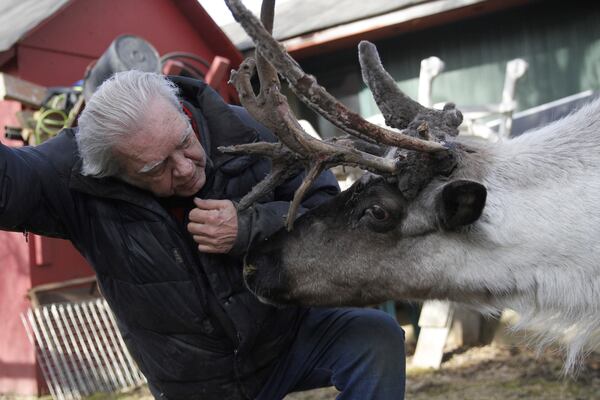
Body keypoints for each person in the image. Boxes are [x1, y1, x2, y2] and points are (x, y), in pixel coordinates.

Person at [0, 70, 406, 399]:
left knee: (375, 339)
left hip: (284, 340)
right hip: (195, 383)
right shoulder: (76, 174)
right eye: (154, 169)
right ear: (113, 171)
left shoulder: (242, 130)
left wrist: (249, 226)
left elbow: (325, 212)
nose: (185, 168)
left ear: (181, 109)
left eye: (184, 142)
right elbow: (7, 186)